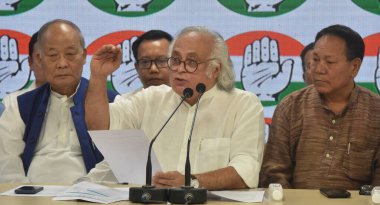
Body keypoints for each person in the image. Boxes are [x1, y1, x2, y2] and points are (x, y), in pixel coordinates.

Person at [85, 26, 265, 190]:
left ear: (215, 69)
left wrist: (191, 181)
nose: (180, 69)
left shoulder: (243, 104)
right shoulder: (149, 98)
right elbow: (100, 127)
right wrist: (99, 76)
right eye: (176, 60)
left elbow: (245, 171)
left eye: (191, 62)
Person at [259, 24, 380, 190]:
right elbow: (274, 173)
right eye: (315, 60)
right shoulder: (291, 106)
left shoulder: (376, 111)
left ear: (354, 67)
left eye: (329, 62)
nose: (318, 69)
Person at [0, 19, 117, 183]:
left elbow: (117, 162)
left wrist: (87, 190)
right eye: (53, 55)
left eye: (70, 54)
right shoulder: (20, 105)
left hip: (90, 195)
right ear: (39, 59)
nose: (62, 64)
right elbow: (7, 162)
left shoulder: (112, 102)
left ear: (84, 56)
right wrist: (23, 194)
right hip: (31, 196)